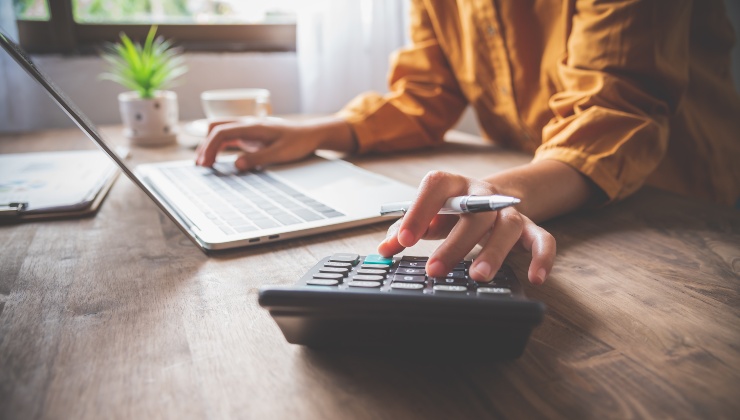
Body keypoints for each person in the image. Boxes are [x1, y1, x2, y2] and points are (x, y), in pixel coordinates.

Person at [196, 0, 740, 285]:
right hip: (541, 187)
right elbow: (427, 90)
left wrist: (495, 192)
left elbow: (614, 109)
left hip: (675, 209)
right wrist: (323, 129)